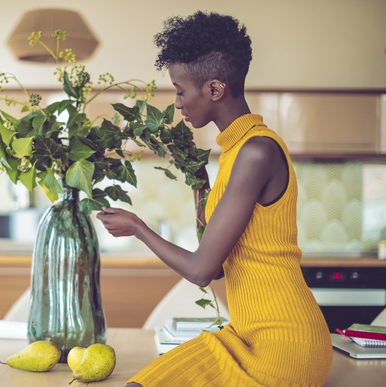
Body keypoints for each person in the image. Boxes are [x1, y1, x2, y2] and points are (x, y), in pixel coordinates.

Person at [96, 11, 333, 386]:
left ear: (215, 89)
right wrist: (200, 189)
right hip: (244, 337)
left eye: (179, 89)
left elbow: (202, 270)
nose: (176, 103)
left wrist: (138, 228)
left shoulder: (256, 151)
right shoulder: (235, 152)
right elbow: (221, 267)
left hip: (283, 345)